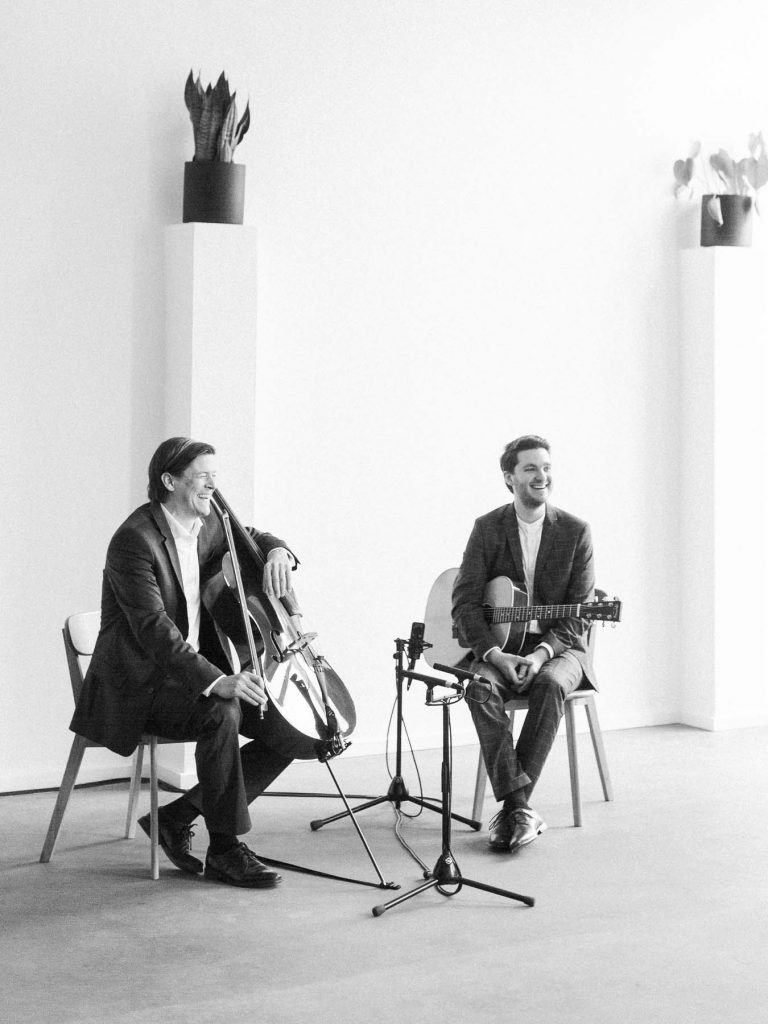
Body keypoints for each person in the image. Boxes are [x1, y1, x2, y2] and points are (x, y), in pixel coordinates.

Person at [70, 437, 298, 888]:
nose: (214, 487)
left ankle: (176, 817)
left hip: (187, 678)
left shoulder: (208, 522)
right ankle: (226, 849)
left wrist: (278, 551)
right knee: (223, 709)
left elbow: (250, 535)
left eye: (216, 476)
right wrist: (218, 682)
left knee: (289, 728)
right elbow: (154, 631)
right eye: (204, 477)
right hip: (139, 687)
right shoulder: (133, 542)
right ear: (170, 480)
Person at [451, 435, 596, 852]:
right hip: (500, 647)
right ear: (509, 478)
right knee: (478, 688)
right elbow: (464, 601)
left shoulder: (575, 531)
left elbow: (578, 614)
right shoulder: (487, 528)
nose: (541, 476)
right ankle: (520, 809)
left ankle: (515, 806)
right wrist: (494, 653)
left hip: (559, 650)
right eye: (531, 468)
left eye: (546, 467)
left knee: (550, 684)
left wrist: (539, 653)